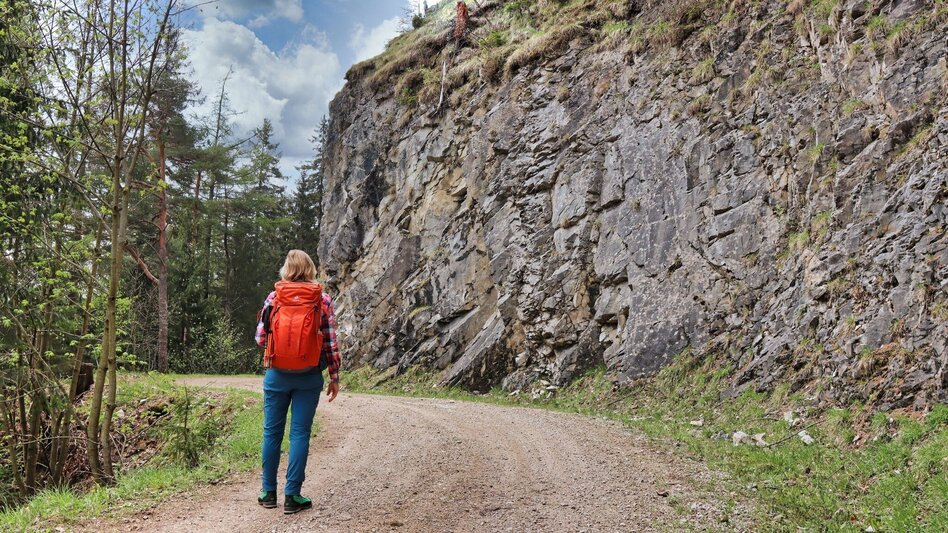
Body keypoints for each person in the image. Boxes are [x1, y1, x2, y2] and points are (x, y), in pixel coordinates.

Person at [254, 249, 340, 514]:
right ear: (311, 269)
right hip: (308, 376)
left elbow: (260, 338)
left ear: (287, 269)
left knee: (272, 432)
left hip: (276, 374)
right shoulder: (322, 299)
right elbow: (330, 343)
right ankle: (292, 496)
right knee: (300, 433)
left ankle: (268, 493)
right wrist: (334, 376)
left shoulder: (274, 297)